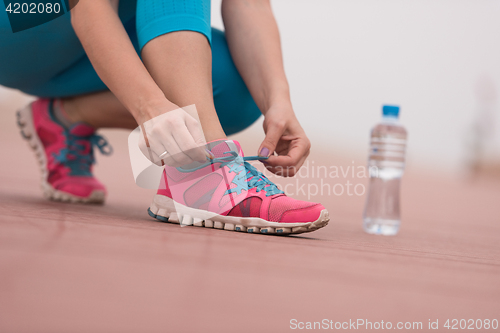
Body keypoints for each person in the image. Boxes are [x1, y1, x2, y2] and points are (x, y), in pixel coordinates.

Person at [1, 0, 329, 234]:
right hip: (23, 22)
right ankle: (207, 172)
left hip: (82, 49)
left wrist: (278, 101)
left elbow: (249, 4)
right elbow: (89, 6)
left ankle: (63, 118)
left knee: (234, 88)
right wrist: (150, 106)